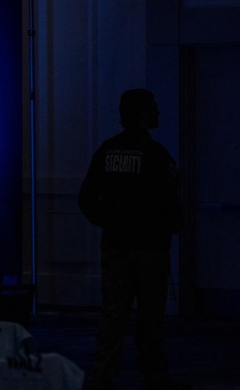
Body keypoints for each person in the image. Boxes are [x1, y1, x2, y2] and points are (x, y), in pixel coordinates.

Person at [78, 89, 188, 390]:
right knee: (150, 318)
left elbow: (86, 198)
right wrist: (167, 226)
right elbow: (170, 204)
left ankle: (101, 379)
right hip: (149, 249)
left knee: (113, 315)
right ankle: (154, 378)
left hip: (115, 246)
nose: (159, 114)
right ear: (142, 114)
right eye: (153, 108)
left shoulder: (107, 151)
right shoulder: (157, 155)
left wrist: (110, 222)